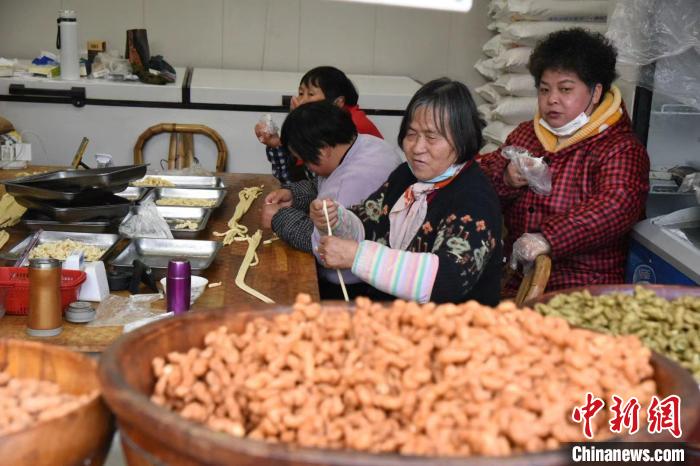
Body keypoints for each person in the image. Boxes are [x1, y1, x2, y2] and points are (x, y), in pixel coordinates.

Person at [477, 28, 650, 294]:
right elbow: (482, 186)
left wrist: (548, 238)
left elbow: (616, 206)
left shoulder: (620, 147)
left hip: (583, 289)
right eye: (544, 90)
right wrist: (506, 178)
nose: (552, 99)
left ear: (595, 92)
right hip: (516, 280)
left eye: (566, 89)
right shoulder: (526, 134)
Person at [309, 78, 502, 305]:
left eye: (431, 137)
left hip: (450, 322)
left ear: (462, 139)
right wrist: (336, 220)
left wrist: (357, 257)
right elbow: (368, 225)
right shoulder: (406, 176)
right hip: (392, 310)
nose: (417, 148)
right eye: (411, 134)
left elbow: (447, 280)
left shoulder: (474, 199)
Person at [261, 101, 400, 298]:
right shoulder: (369, 144)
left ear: (324, 149)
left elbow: (322, 245)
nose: (307, 167)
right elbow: (324, 182)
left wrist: (279, 217)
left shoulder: (348, 182)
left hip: (354, 287)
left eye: (306, 160)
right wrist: (295, 196)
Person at [254, 66, 382, 185]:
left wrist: (302, 125)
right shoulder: (324, 126)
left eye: (311, 94)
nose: (302, 101)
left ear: (338, 102)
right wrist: (277, 145)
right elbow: (296, 180)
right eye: (301, 93)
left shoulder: (351, 128)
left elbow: (309, 183)